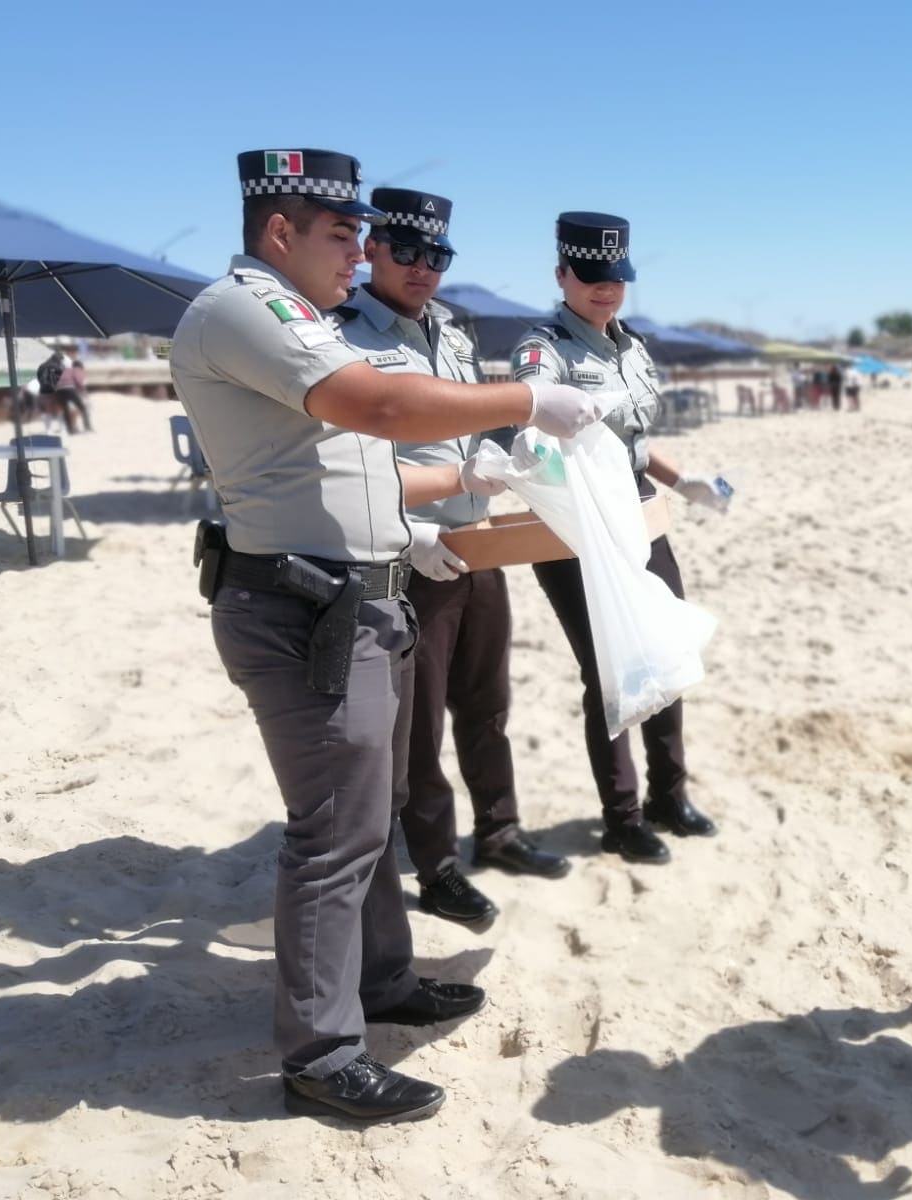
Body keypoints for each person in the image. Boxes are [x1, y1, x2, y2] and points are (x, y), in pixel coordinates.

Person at [170, 147, 600, 1124]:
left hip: (356, 598)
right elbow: (383, 407)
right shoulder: (250, 308)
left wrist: (469, 484)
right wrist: (527, 398)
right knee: (334, 833)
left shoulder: (305, 321)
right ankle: (322, 1053)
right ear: (280, 232)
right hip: (301, 609)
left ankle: (382, 981)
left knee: (370, 817)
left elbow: (366, 472)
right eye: (341, 232)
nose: (360, 252)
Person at [331, 187, 571, 929]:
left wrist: (519, 452)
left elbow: (473, 435)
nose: (422, 267)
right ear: (371, 248)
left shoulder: (455, 336)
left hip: (478, 545)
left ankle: (498, 831)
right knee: (417, 727)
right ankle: (435, 868)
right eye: (406, 251)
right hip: (410, 551)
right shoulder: (341, 336)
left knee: (488, 703)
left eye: (437, 255)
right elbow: (347, 462)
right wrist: (415, 533)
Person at [512, 212, 728, 866]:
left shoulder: (632, 348)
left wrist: (683, 478)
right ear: (562, 275)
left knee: (665, 651)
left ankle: (670, 795)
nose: (604, 288)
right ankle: (622, 816)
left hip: (639, 516)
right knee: (607, 668)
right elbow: (525, 410)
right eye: (589, 276)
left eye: (616, 277)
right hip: (577, 530)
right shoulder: (543, 346)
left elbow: (633, 445)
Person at [55, 357, 92, 433]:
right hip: (69, 389)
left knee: (66, 410)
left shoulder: (61, 371)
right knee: (83, 408)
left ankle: (70, 430)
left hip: (58, 391)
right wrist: (84, 391)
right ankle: (87, 427)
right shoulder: (74, 370)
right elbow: (79, 381)